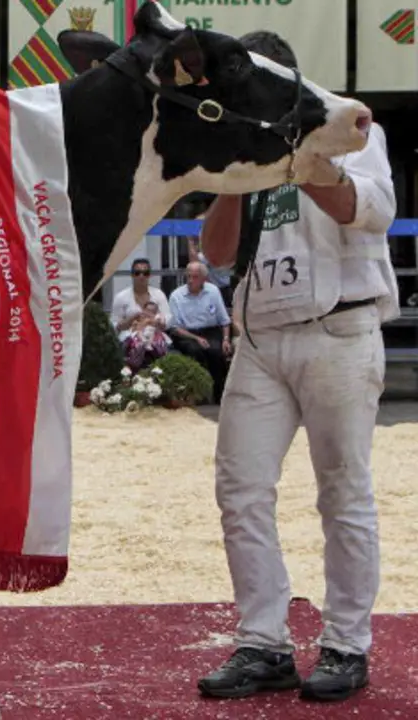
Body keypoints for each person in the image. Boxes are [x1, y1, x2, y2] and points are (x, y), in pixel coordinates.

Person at [195, 30, 401, 704]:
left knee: (343, 492)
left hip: (340, 327)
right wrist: (233, 179)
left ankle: (346, 643)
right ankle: (263, 643)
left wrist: (307, 157)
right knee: (241, 491)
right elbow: (219, 253)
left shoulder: (349, 127)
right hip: (260, 338)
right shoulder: (246, 145)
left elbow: (371, 211)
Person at [166, 261, 232, 403]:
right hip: (186, 333)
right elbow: (175, 328)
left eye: (195, 277)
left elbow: (224, 320)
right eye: (188, 276)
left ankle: (219, 395)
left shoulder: (213, 291)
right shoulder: (176, 296)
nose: (190, 280)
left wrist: (226, 339)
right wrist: (196, 338)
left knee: (216, 351)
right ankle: (199, 395)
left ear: (203, 278)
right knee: (194, 350)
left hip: (210, 330)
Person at [109, 257, 172, 342]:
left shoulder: (158, 294)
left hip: (155, 338)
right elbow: (113, 325)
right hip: (129, 339)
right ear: (132, 275)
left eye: (145, 273)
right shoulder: (121, 297)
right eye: (137, 273)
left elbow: (168, 319)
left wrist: (155, 320)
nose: (141, 276)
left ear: (149, 275)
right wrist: (128, 322)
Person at [124, 300, 170, 370]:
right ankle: (135, 363)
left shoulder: (156, 319)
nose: (149, 313)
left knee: (159, 342)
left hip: (154, 336)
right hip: (139, 336)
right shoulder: (139, 318)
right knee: (137, 343)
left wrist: (157, 319)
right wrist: (141, 326)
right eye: (147, 310)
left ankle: (158, 363)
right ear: (143, 310)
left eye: (152, 311)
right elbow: (135, 329)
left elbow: (162, 325)